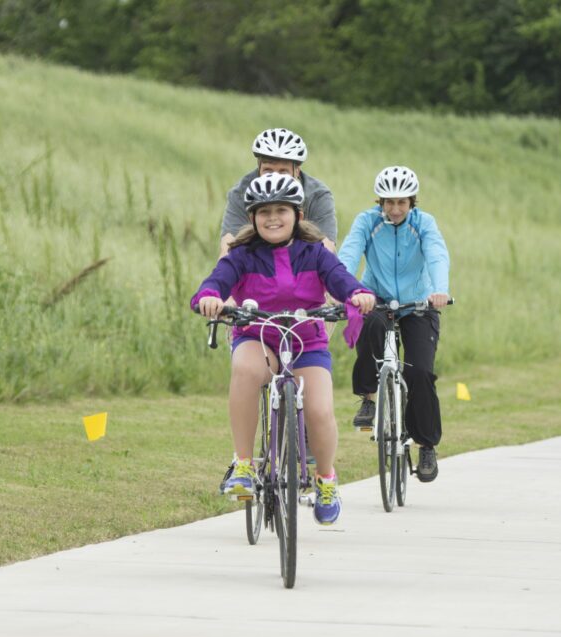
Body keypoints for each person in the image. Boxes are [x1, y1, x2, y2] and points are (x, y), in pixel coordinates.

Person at [193, 173, 375, 525]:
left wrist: (357, 295)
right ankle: (244, 466)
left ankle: (325, 480)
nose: (273, 218)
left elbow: (341, 280)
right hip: (258, 335)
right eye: (264, 212)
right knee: (245, 371)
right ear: (252, 218)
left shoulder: (315, 253)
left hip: (307, 340)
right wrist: (210, 298)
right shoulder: (241, 255)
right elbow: (215, 281)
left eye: (281, 210)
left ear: (298, 215)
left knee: (320, 411)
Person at [337, 166, 451, 482]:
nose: (395, 209)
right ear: (380, 202)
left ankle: (426, 444)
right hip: (376, 297)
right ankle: (369, 398)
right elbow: (349, 253)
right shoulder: (367, 221)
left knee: (419, 373)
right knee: (368, 325)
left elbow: (437, 254)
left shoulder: (423, 223)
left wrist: (440, 290)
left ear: (412, 202)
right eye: (388, 202)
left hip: (419, 303)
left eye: (402, 202)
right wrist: (344, 289)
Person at [219, 128, 338, 257]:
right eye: (268, 171)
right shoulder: (241, 193)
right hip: (256, 263)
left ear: (296, 171)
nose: (275, 178)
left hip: (304, 264)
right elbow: (228, 247)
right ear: (259, 167)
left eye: (283, 171)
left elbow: (327, 248)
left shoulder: (317, 195)